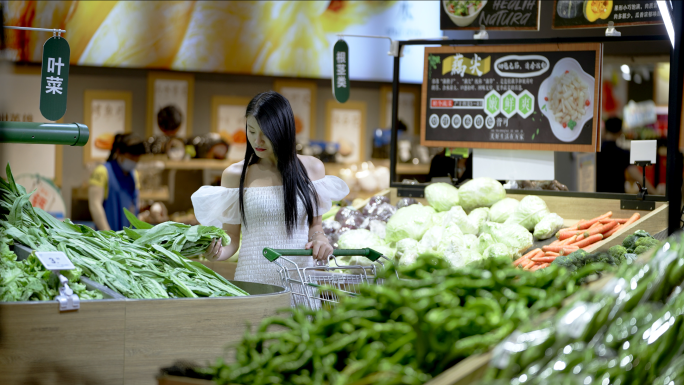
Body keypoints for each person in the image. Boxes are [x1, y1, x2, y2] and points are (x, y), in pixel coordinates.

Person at [191, 91, 349, 287]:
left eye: (265, 133)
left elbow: (315, 226)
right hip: (252, 279)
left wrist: (320, 240)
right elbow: (232, 237)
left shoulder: (312, 169)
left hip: (300, 283)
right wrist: (218, 253)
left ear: (283, 130)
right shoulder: (235, 175)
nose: (257, 141)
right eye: (251, 131)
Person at [88, 133, 146, 231]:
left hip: (128, 238)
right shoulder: (102, 172)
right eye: (131, 157)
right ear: (119, 152)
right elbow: (95, 206)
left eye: (137, 158)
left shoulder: (133, 175)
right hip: (108, 238)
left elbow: (134, 205)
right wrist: (108, 235)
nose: (135, 161)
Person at [596, 117, 656, 194]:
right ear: (620, 132)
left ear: (604, 131)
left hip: (598, 196)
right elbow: (637, 176)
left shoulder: (597, 152)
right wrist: (655, 192)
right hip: (617, 196)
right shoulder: (623, 153)